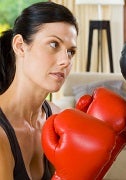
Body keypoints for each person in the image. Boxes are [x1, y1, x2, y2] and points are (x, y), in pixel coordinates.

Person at [0, 2, 78, 179]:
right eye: (53, 44)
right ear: (20, 46)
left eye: (71, 52)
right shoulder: (2, 135)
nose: (65, 61)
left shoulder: (57, 119)